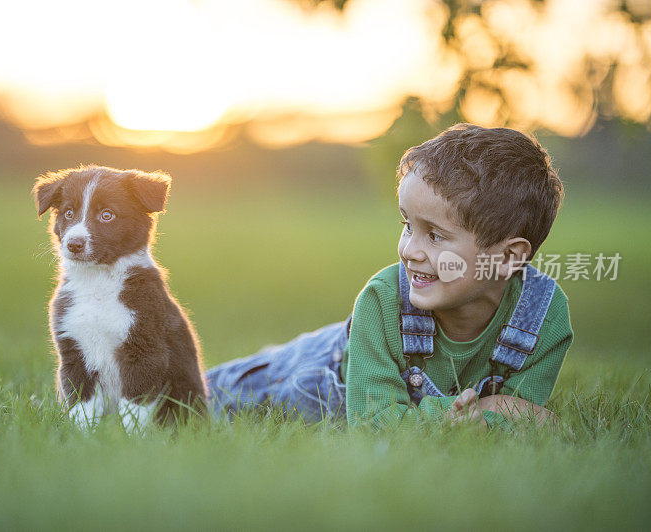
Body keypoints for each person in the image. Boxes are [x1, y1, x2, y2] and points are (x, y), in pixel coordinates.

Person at [206, 124, 573, 430]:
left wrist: (496, 418)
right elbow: (373, 423)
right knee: (189, 397)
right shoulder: (383, 300)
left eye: (435, 235)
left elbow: (520, 417)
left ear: (508, 257)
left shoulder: (543, 317)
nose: (409, 250)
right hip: (312, 374)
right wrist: (455, 419)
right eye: (407, 225)